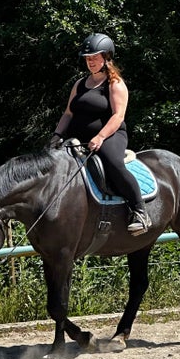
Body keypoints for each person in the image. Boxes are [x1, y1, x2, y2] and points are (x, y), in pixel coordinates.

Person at [50, 32, 152, 234]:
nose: (90, 62)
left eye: (95, 57)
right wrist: (57, 135)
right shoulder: (79, 84)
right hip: (77, 139)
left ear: (106, 57)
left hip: (110, 136)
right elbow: (68, 113)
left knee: (112, 162)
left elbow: (118, 116)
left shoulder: (115, 84)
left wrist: (100, 137)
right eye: (88, 58)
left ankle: (140, 211)